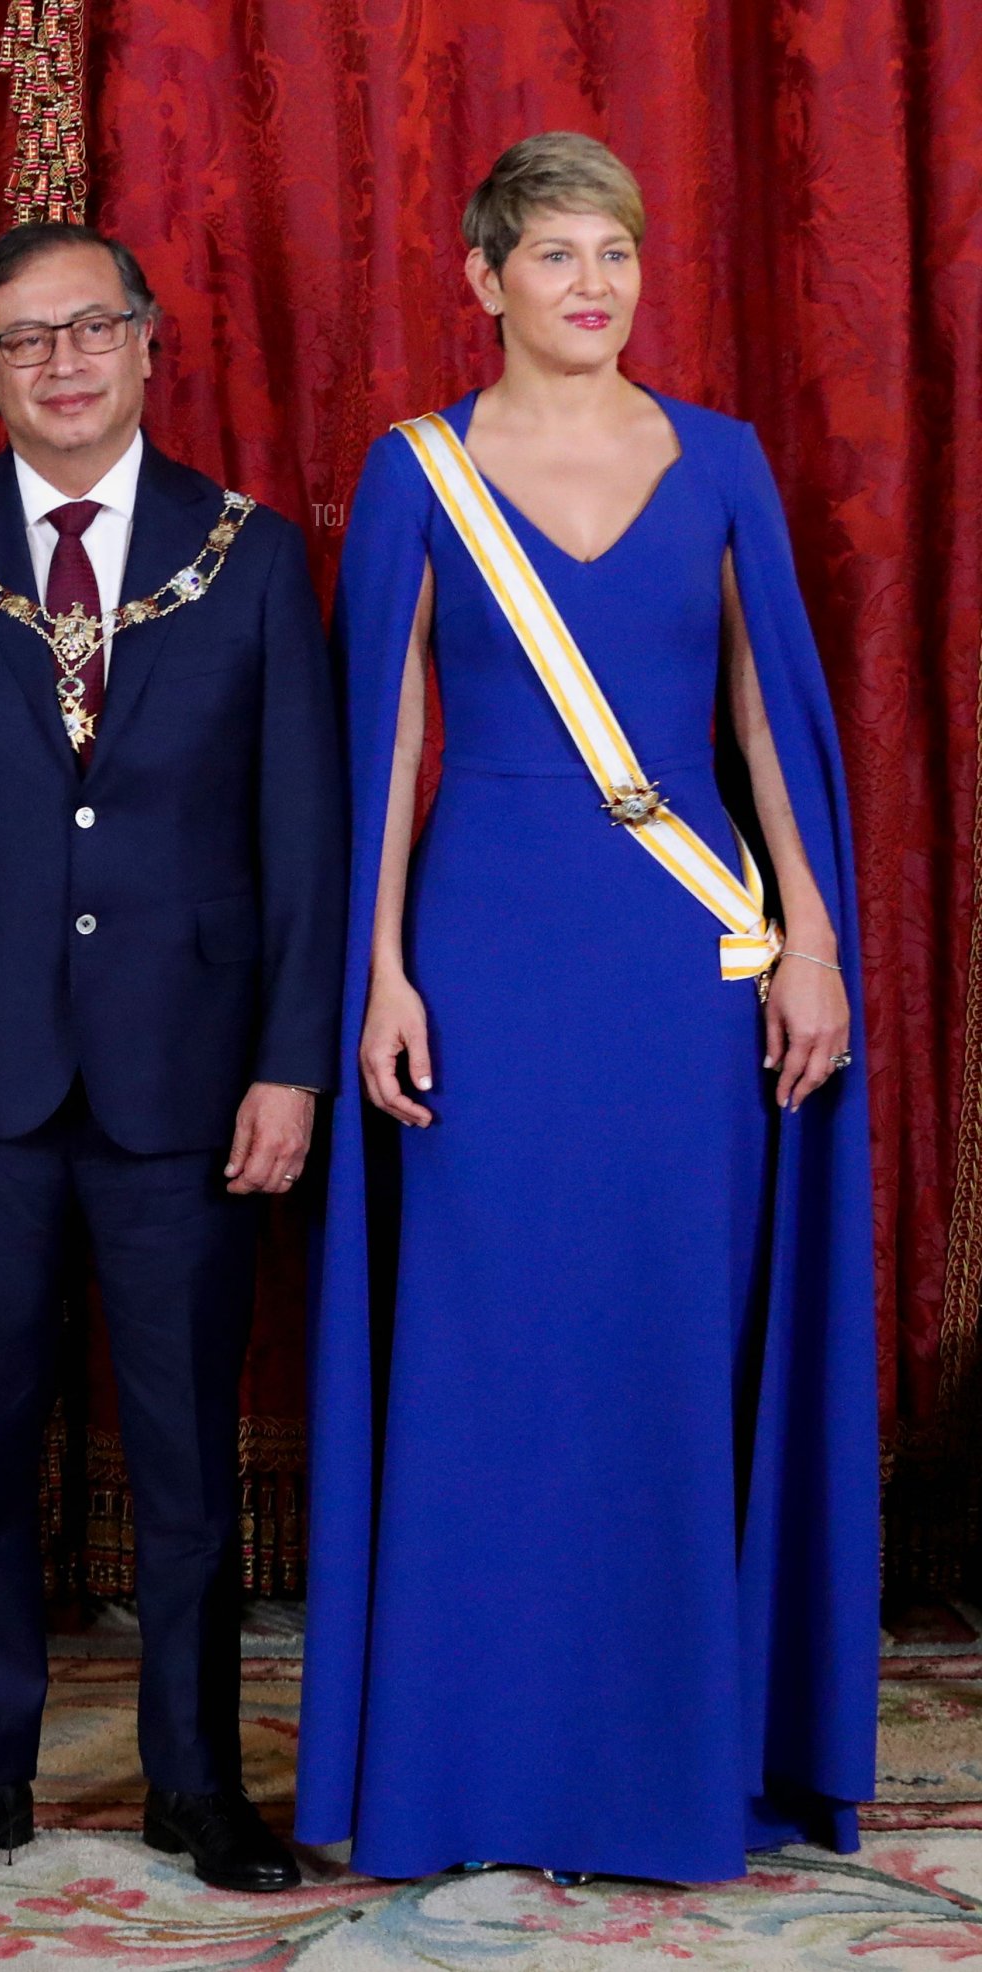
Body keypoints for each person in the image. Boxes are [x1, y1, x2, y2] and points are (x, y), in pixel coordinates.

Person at [296, 133, 878, 1884]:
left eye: (613, 251)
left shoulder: (722, 463)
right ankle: (466, 1773)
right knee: (489, 1357)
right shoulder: (417, 471)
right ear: (483, 281)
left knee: (658, 1340)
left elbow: (771, 718)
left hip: (678, 963)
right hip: (482, 945)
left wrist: (818, 939)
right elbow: (387, 739)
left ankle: (664, 1770)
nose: (593, 285)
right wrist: (380, 970)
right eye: (555, 254)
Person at [0, 222, 344, 1895]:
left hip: (188, 1082)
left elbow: (306, 837)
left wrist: (291, 1063)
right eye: (24, 341)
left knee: (186, 1461)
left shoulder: (248, 554)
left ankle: (196, 1786)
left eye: (91, 328)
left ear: (149, 342)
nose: (63, 363)